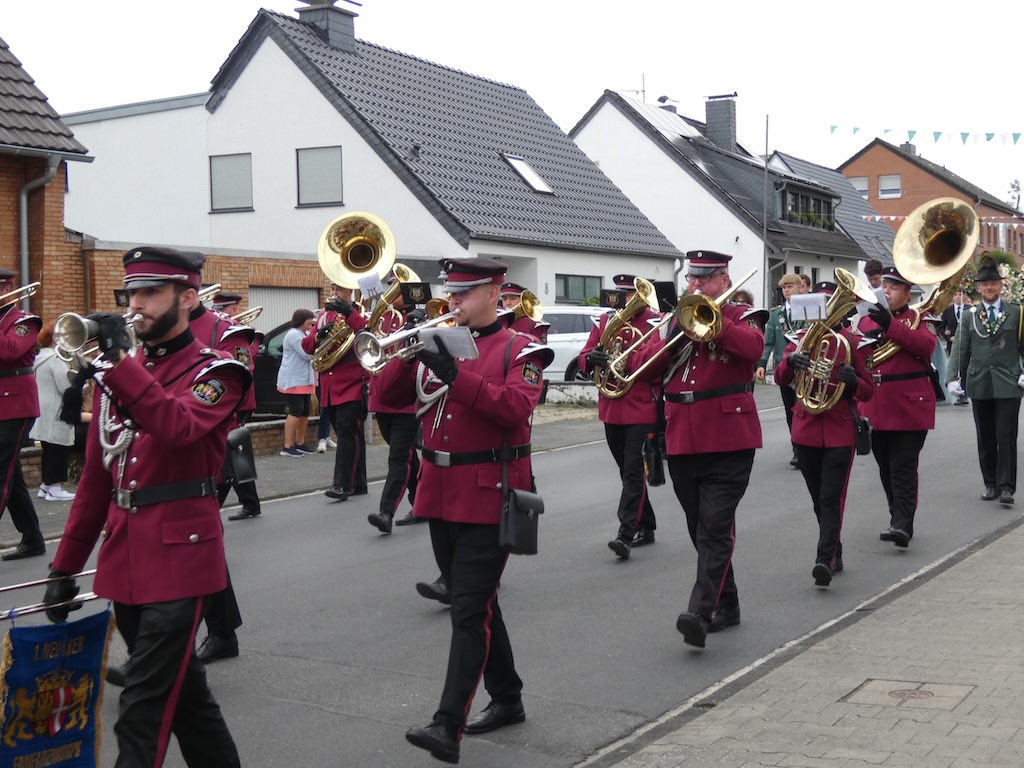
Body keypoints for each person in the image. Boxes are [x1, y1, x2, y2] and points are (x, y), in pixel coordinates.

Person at [42, 246, 244, 767]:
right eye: (131, 292)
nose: (137, 303)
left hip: (182, 560)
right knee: (190, 705)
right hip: (126, 557)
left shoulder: (220, 371)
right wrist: (65, 566)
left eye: (151, 292)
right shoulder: (119, 377)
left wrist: (116, 366)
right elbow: (94, 482)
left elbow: (177, 428)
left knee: (141, 710)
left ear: (188, 297)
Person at [375, 257, 552, 764]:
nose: (452, 303)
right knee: (478, 605)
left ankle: (446, 724)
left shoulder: (523, 349)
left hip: (489, 491)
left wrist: (453, 373)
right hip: (439, 489)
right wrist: (407, 354)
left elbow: (515, 409)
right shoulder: (435, 343)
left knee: (469, 611)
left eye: (464, 294)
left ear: (496, 293)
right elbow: (384, 399)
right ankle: (509, 696)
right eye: (450, 294)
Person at [628, 251, 765, 648]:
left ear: (724, 279)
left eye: (704, 279)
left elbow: (752, 349)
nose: (695, 286)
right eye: (692, 279)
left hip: (729, 437)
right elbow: (640, 367)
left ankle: (700, 612)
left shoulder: (743, 315)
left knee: (715, 526)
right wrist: (671, 341)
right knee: (699, 526)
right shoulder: (672, 322)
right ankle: (729, 602)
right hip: (682, 436)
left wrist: (711, 325)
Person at [774, 280, 874, 587]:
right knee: (818, 498)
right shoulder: (801, 338)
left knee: (831, 497)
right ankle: (835, 548)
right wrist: (790, 361)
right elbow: (780, 378)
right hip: (805, 428)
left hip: (839, 428)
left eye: (833, 304)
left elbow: (869, 393)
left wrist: (854, 380)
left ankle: (824, 559)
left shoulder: (852, 342)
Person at [578, 273, 660, 559]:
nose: (626, 301)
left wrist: (622, 360)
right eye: (623, 295)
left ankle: (625, 534)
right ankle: (646, 525)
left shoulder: (655, 322)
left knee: (634, 471)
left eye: (631, 295)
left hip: (641, 408)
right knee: (627, 472)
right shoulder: (604, 322)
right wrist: (592, 359)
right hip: (611, 406)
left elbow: (657, 362)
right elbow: (585, 354)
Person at [857, 267, 937, 548]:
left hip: (909, 405)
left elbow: (926, 346)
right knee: (885, 468)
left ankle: (903, 525)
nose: (886, 291)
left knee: (902, 467)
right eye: (885, 286)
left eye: (893, 288)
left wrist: (890, 325)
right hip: (875, 405)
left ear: (907, 292)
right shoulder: (867, 320)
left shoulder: (920, 318)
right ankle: (897, 517)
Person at [947, 257, 1024, 505]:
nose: (989, 288)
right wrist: (952, 378)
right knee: (986, 436)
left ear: (1001, 286)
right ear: (979, 288)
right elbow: (960, 348)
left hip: (1009, 383)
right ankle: (990, 484)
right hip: (979, 382)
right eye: (985, 284)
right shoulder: (970, 316)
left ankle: (1006, 488)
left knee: (1006, 436)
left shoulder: (1017, 312)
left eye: (993, 283)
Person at [303, 283, 368, 501]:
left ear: (349, 291)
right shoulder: (324, 316)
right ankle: (359, 482)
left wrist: (351, 314)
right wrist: (319, 336)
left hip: (352, 383)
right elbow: (306, 345)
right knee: (349, 434)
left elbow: (369, 335)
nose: (334, 293)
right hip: (329, 384)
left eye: (339, 289)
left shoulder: (361, 312)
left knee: (347, 432)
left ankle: (342, 485)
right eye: (332, 288)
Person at [366, 282, 421, 534]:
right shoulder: (384, 318)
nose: (391, 295)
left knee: (399, 458)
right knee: (408, 456)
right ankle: (422, 500)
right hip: (381, 397)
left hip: (406, 402)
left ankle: (386, 512)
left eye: (396, 290)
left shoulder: (419, 319)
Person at [0, 269, 46, 560]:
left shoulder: (24, 321)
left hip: (16, 404)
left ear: (6, 287)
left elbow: (9, 351)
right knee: (12, 478)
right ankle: (33, 538)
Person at [205, 291, 263, 519]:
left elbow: (244, 366)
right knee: (234, 450)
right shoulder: (224, 329)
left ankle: (218, 503)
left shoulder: (235, 331)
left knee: (230, 450)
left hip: (238, 399)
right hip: (230, 399)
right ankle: (251, 503)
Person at [756, 273, 805, 468]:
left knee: (802, 408)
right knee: (789, 410)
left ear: (799, 287)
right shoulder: (776, 314)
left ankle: (803, 447)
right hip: (783, 367)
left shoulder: (807, 310)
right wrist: (761, 364)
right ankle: (796, 449)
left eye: (790, 286)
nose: (786, 290)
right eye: (784, 287)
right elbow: (767, 342)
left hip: (804, 366)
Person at [30, 321, 76, 501]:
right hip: (57, 409)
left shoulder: (40, 357)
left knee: (49, 448)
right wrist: (82, 385)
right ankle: (56, 487)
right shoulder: (56, 359)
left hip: (43, 408)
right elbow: (65, 387)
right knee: (59, 447)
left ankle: (46, 485)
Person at [277, 309, 316, 457]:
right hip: (293, 379)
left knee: (305, 410)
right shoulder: (294, 334)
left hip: (304, 378)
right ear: (301, 320)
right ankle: (287, 446)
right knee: (295, 411)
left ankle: (300, 443)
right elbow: (306, 354)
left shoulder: (304, 334)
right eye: (309, 321)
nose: (311, 324)